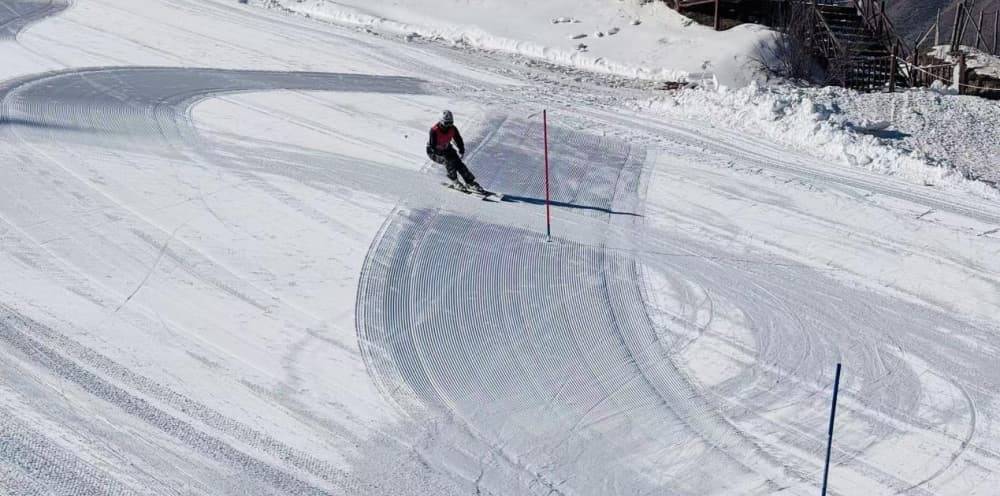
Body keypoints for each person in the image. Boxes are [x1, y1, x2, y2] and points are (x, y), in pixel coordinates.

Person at [426, 110, 484, 193]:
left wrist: (461, 149)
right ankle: (455, 182)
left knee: (459, 163)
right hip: (434, 152)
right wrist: (443, 155)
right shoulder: (434, 131)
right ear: (441, 121)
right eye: (446, 123)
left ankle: (470, 182)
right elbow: (433, 147)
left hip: (447, 148)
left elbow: (458, 139)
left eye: (450, 123)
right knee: (448, 162)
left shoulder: (452, 128)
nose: (448, 126)